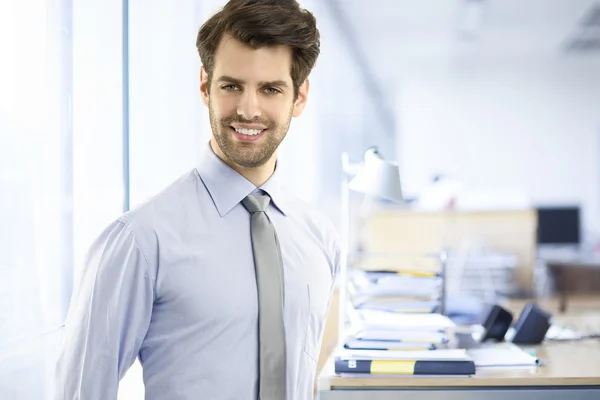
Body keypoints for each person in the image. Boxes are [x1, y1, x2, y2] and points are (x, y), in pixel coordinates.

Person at [54, 0, 340, 399]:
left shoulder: (319, 237)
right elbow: (81, 391)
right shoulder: (140, 240)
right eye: (231, 86)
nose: (248, 109)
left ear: (300, 97)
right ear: (205, 86)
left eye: (270, 89)